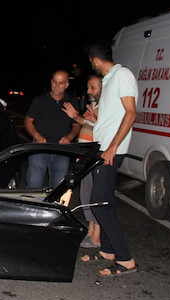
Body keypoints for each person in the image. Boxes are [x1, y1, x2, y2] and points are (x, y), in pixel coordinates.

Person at [82, 40, 138, 276]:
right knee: (105, 202)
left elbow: (131, 112)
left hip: (110, 151)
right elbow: (113, 117)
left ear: (95, 59)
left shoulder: (122, 75)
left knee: (99, 203)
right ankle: (107, 250)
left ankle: (125, 259)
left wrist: (113, 147)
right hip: (102, 148)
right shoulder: (108, 81)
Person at [24, 70, 82, 188]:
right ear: (51, 82)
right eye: (54, 82)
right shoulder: (40, 100)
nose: (56, 85)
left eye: (60, 83)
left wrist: (69, 138)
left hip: (61, 150)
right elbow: (28, 121)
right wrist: (37, 136)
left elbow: (77, 125)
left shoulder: (71, 102)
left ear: (66, 84)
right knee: (33, 184)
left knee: (58, 187)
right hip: (40, 149)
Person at [63, 74, 102, 248]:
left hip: (95, 157)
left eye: (92, 87)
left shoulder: (107, 107)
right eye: (88, 87)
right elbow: (87, 122)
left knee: (95, 195)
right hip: (86, 156)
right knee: (86, 194)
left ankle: (97, 235)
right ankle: (91, 230)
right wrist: (75, 116)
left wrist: (96, 121)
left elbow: (104, 127)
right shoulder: (94, 105)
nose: (89, 91)